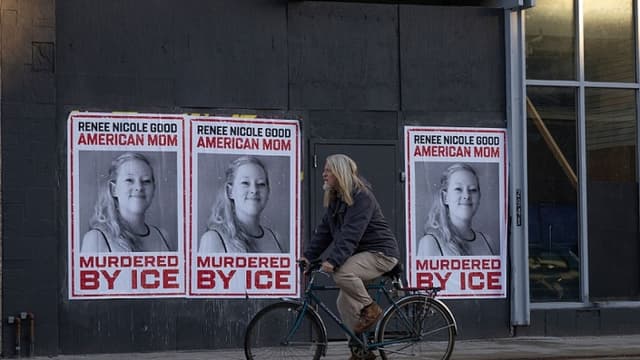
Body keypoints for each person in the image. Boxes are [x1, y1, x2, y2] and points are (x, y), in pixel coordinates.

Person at [301, 154, 400, 360]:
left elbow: (351, 234)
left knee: (342, 272)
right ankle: (361, 350)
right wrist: (308, 257)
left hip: (381, 253)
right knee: (344, 303)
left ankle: (371, 309)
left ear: (339, 172)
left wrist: (333, 260)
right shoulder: (337, 199)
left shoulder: (362, 197)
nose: (324, 174)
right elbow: (324, 232)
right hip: (362, 255)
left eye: (328, 170)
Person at [81, 152, 172, 252]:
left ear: (154, 189)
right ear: (113, 189)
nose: (139, 187)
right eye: (129, 180)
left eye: (146, 181)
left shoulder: (163, 236)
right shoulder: (97, 239)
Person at [199, 155, 283, 253]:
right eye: (245, 183)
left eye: (261, 184)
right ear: (230, 192)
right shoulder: (214, 239)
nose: (254, 190)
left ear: (268, 191)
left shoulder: (276, 239)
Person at [417, 163, 496, 257]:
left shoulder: (487, 241)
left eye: (473, 189)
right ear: (445, 197)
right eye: (458, 189)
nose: (466, 196)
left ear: (479, 197)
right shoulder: (431, 243)